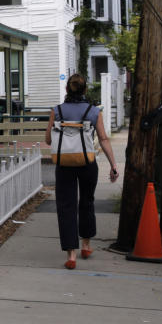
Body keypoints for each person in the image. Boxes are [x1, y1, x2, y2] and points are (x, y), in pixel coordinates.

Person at [45, 74, 119, 269]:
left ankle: (71, 255)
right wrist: (113, 165)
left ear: (67, 90)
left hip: (64, 164)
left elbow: (48, 140)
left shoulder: (57, 111)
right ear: (85, 90)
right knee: (87, 201)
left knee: (66, 206)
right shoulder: (93, 111)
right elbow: (103, 139)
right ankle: (86, 245)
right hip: (87, 163)